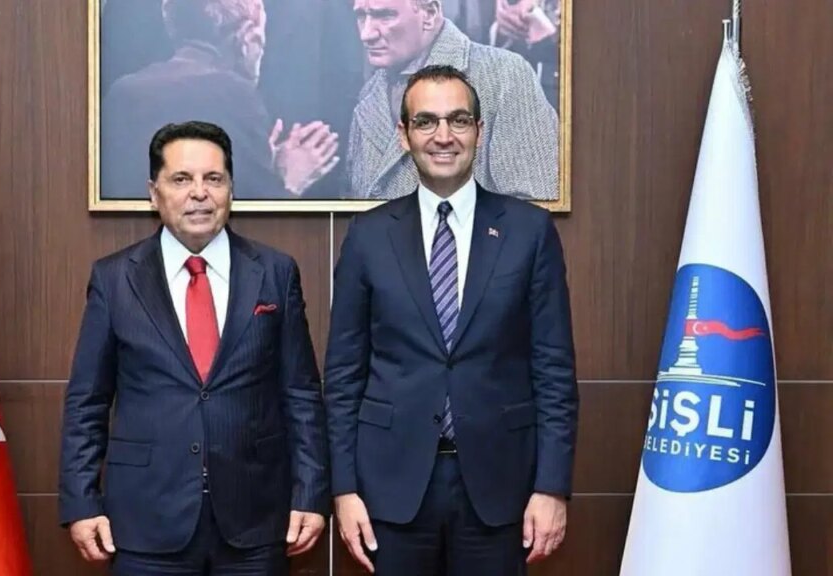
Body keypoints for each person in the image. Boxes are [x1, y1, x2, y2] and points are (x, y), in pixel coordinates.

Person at [325, 65, 578, 575]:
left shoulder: (528, 231)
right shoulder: (368, 236)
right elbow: (343, 376)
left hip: (501, 486)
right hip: (390, 488)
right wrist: (344, 489)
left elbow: (553, 372)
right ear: (404, 135)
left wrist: (552, 487)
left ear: (479, 131)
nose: (444, 136)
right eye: (426, 121)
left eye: (458, 120)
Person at [59, 121, 329, 575]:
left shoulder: (275, 272)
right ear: (154, 192)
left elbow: (300, 393)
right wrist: (81, 502)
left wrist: (311, 494)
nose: (199, 193)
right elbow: (88, 400)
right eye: (181, 179)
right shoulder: (115, 278)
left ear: (230, 189)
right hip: (146, 519)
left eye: (213, 178)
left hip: (257, 519)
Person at [99, 0, 339, 200]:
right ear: (248, 38)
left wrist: (263, 167)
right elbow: (255, 223)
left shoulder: (122, 92)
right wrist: (290, 180)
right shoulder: (236, 95)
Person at [347, 0, 558, 201]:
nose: (366, 34)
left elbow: (535, 208)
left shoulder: (504, 76)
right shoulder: (370, 94)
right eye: (361, 16)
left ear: (429, 14)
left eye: (384, 15)